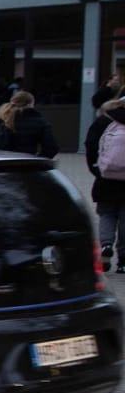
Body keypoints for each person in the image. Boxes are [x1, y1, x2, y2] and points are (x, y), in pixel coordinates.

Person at [86, 99, 125, 272]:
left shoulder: (104, 121)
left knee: (107, 214)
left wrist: (97, 170)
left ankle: (105, 245)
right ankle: (123, 261)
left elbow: (90, 146)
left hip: (106, 178)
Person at [0, 90, 58, 157]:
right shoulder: (39, 122)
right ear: (30, 104)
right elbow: (51, 149)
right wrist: (35, 161)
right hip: (22, 168)